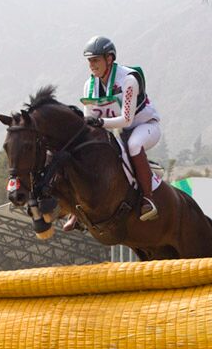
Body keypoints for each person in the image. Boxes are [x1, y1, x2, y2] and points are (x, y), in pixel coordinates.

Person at [65, 35, 162, 230]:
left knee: (134, 144)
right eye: (89, 61)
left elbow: (127, 119)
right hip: (118, 132)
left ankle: (148, 199)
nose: (92, 65)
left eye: (96, 60)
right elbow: (89, 122)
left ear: (109, 59)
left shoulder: (128, 80)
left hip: (145, 126)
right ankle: (77, 210)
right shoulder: (89, 85)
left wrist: (100, 122)